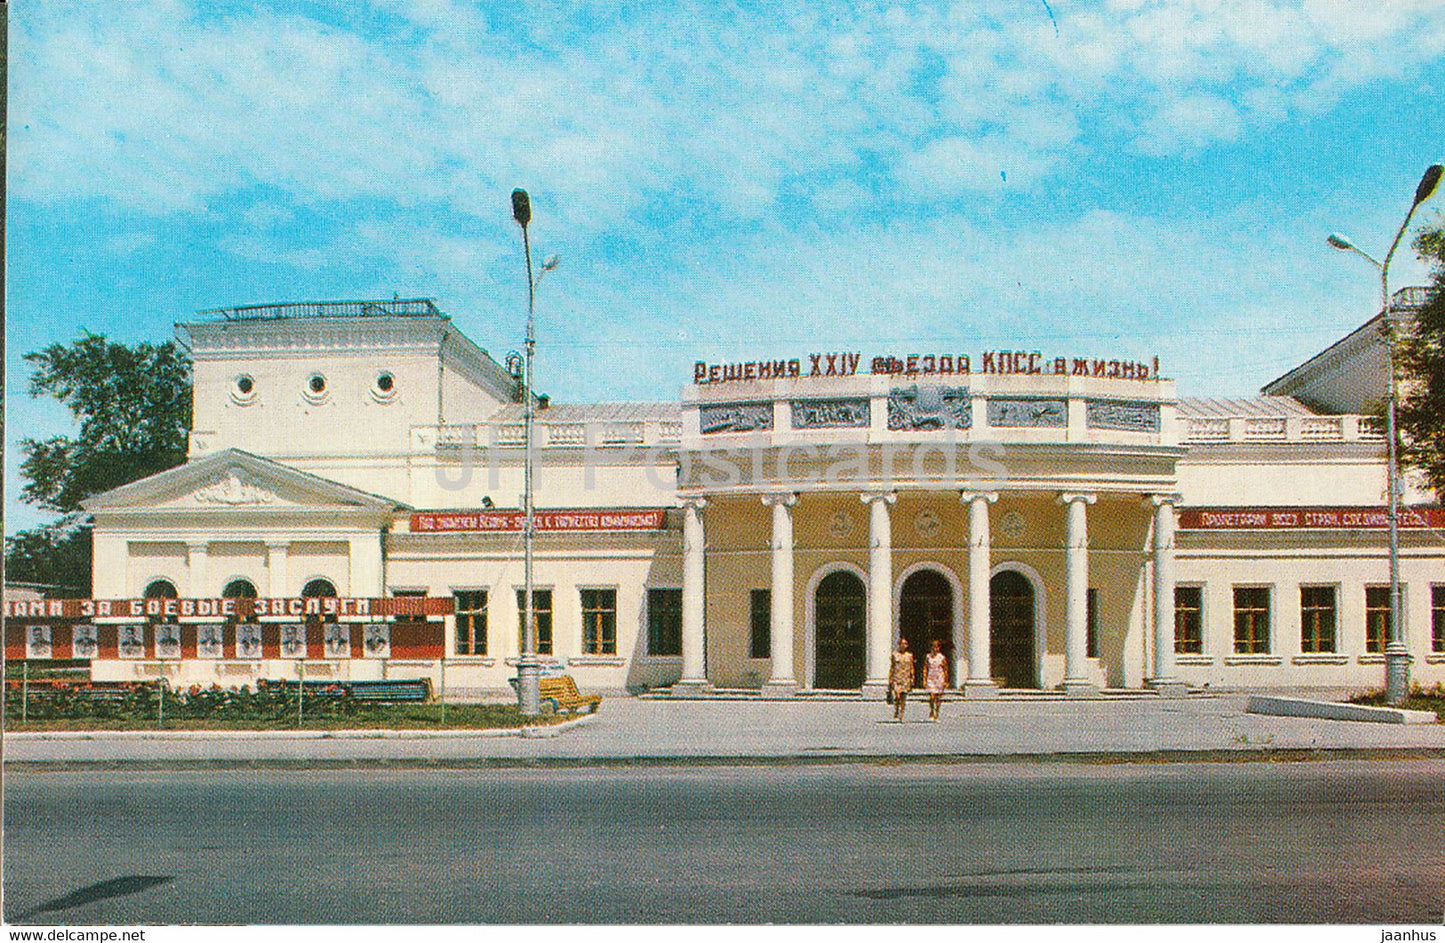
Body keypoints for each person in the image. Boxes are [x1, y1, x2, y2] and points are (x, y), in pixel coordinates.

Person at [889, 637, 915, 722]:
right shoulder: (895, 654)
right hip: (897, 677)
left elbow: (911, 667)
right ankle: (896, 708)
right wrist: (890, 678)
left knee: (903, 696)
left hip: (905, 678)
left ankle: (901, 713)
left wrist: (912, 677)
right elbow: (892, 667)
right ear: (899, 645)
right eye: (902, 644)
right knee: (897, 696)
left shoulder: (909, 655)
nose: (903, 645)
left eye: (905, 644)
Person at [924, 638, 948, 721]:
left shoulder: (941, 657)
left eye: (937, 647)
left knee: (938, 697)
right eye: (933, 647)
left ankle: (936, 713)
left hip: (939, 678)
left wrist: (945, 680)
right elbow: (925, 668)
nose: (935, 648)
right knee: (931, 696)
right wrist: (924, 679)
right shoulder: (928, 657)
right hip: (931, 677)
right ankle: (931, 711)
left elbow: (945, 669)